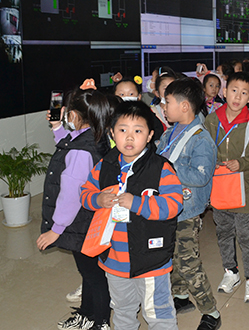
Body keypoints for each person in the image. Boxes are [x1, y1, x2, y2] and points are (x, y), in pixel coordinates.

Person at [80, 102, 183, 330]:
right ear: (112, 133)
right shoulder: (104, 165)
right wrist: (97, 199)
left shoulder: (160, 168)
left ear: (150, 136)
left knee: (158, 312)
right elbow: (85, 193)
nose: (129, 137)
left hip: (151, 259)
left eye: (138, 130)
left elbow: (174, 204)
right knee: (122, 310)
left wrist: (137, 203)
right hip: (114, 259)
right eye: (122, 130)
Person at [38, 85, 112, 330]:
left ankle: (100, 322)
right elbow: (68, 144)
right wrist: (56, 127)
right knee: (90, 272)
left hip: (81, 223)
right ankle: (87, 316)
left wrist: (56, 229)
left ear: (74, 115)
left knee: (93, 275)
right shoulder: (96, 136)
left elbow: (70, 196)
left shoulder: (81, 150)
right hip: (91, 219)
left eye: (68, 111)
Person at [156, 79, 221, 330]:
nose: (164, 106)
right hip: (168, 206)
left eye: (167, 102)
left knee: (188, 262)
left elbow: (201, 176)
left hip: (187, 210)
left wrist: (168, 167)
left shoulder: (201, 138)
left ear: (184, 106)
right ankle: (181, 297)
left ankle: (211, 311)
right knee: (172, 256)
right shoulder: (169, 132)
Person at [203, 72, 249, 303]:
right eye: (233, 90)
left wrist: (241, 163)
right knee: (223, 232)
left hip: (244, 190)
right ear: (225, 91)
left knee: (246, 235)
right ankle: (231, 271)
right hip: (219, 187)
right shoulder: (212, 120)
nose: (237, 97)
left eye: (244, 93)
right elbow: (205, 149)